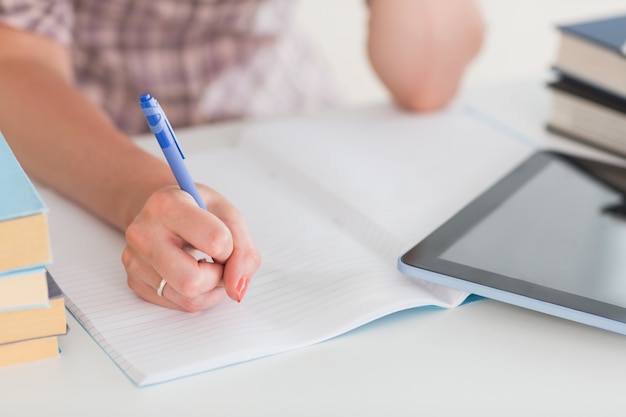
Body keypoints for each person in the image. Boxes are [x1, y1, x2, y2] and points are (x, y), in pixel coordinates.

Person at [0, 0, 484, 312]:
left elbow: (425, 84)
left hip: (288, 124)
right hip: (92, 137)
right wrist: (141, 193)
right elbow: (14, 62)